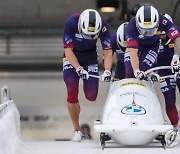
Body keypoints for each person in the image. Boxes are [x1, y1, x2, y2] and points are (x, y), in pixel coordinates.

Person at [63, 9, 113, 142]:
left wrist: (107, 70)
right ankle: (77, 129)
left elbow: (108, 51)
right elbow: (67, 50)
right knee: (71, 87)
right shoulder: (71, 22)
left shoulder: (102, 26)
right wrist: (78, 68)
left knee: (91, 96)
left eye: (92, 35)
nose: (89, 37)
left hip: (90, 57)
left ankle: (75, 105)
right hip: (72, 56)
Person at [125, 3, 180, 83]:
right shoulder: (131, 26)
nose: (147, 33)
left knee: (144, 69)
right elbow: (133, 51)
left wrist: (176, 56)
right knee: (130, 72)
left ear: (157, 23)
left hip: (152, 46)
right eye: (144, 30)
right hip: (137, 46)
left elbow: (177, 39)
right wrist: (136, 71)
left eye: (151, 29)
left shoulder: (163, 21)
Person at [157, 13, 180, 130]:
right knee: (169, 100)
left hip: (178, 68)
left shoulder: (177, 32)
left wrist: (177, 55)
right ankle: (175, 126)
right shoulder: (153, 38)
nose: (162, 36)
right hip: (163, 71)